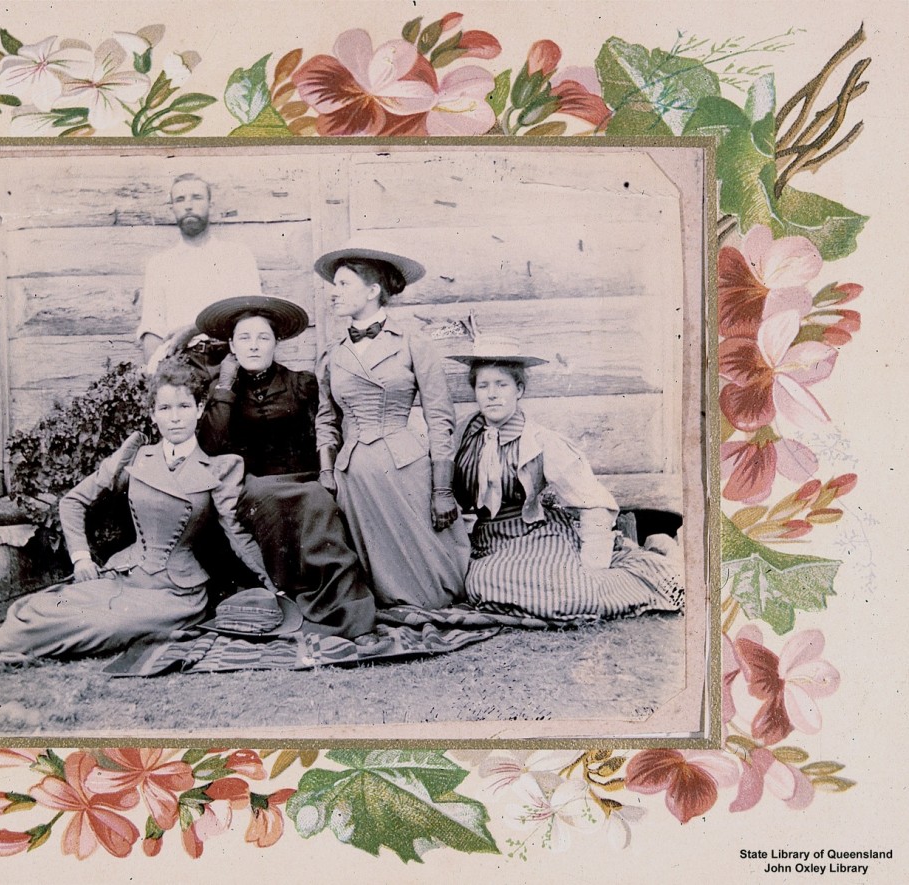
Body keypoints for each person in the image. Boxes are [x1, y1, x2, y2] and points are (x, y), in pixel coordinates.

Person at [0, 360, 277, 663]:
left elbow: (238, 537)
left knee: (104, 624)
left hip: (176, 594)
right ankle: (9, 644)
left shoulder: (219, 469)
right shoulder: (137, 458)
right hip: (125, 578)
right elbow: (73, 501)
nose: (175, 418)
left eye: (184, 407)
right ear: (153, 414)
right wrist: (81, 558)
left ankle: (20, 648)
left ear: (199, 409)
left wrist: (276, 589)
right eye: (164, 409)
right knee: (38, 610)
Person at [449, 335, 684, 622]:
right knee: (481, 584)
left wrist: (592, 564)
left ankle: (650, 573)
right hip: (490, 541)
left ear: (519, 389)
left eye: (502, 385)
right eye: (483, 386)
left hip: (537, 535)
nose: (492, 394)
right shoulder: (463, 437)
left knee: (568, 594)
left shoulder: (540, 441)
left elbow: (592, 499)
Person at [195, 295, 377, 638]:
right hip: (255, 486)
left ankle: (351, 611)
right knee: (266, 497)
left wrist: (326, 472)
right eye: (244, 339)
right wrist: (225, 385)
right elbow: (210, 445)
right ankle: (291, 599)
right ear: (231, 345)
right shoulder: (221, 390)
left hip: (306, 480)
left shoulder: (301, 383)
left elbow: (326, 430)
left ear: (276, 343)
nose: (254, 346)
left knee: (319, 503)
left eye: (263, 338)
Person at [313, 238, 469, 609]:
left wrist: (442, 488)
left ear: (373, 290)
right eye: (334, 285)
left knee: (434, 584)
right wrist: (326, 470)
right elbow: (325, 419)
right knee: (379, 582)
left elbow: (440, 418)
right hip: (355, 475)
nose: (334, 294)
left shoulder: (414, 343)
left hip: (406, 470)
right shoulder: (333, 355)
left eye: (343, 284)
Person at [136, 173, 262, 366]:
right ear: (172, 209)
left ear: (210, 205)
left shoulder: (237, 256)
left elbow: (252, 318)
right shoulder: (160, 264)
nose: (188, 205)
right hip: (180, 362)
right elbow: (152, 332)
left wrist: (195, 329)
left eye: (196, 197)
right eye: (180, 199)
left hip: (232, 358)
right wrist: (157, 379)